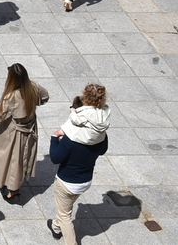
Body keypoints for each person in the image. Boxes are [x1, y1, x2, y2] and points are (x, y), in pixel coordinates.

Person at [0, 63, 50, 201]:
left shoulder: (10, 97)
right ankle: (0, 180)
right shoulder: (33, 86)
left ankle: (12, 190)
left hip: (12, 131)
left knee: (10, 159)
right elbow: (44, 97)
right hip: (29, 127)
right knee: (16, 158)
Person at [48, 85, 111, 244]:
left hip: (66, 181)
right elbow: (102, 150)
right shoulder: (100, 133)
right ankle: (56, 227)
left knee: (65, 216)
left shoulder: (72, 137)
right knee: (65, 209)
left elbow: (55, 158)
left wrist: (55, 138)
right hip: (85, 180)